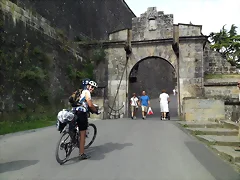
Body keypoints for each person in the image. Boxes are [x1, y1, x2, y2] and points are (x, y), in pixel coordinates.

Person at [72, 78, 101, 159]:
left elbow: (81, 102)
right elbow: (90, 104)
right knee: (82, 134)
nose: (92, 89)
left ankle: (72, 140)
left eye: (93, 87)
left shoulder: (79, 91)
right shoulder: (87, 92)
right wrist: (95, 111)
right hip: (82, 113)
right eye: (91, 86)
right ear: (87, 86)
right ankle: (81, 154)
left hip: (74, 111)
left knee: (75, 127)